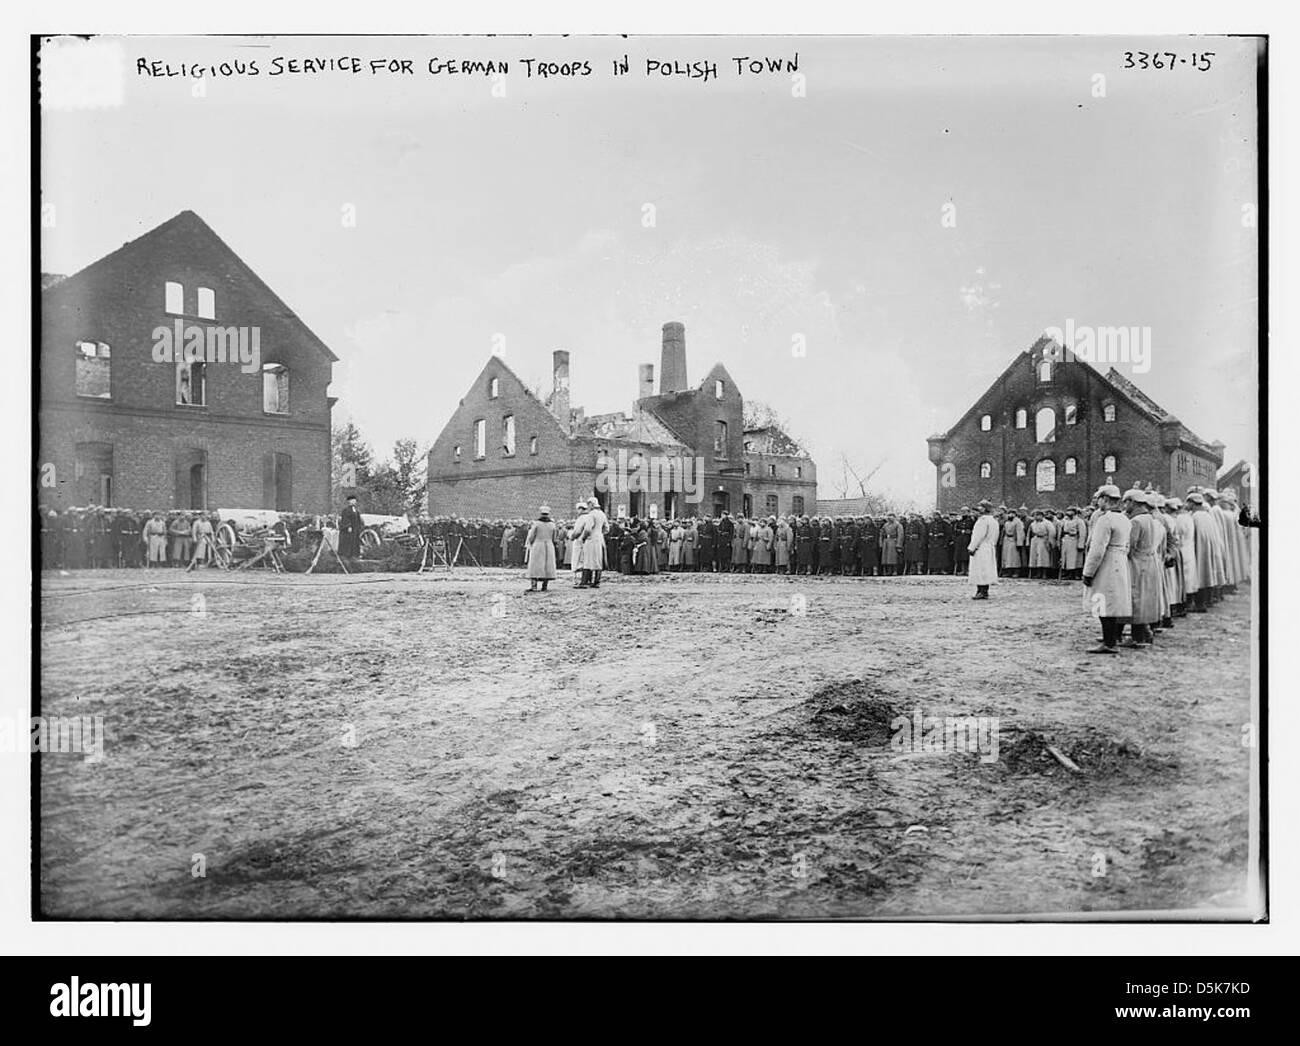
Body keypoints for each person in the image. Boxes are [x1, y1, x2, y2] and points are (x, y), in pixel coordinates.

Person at [1081, 485, 1132, 654]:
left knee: (1102, 602)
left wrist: (1088, 572)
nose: (1097, 502)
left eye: (1099, 499)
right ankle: (1113, 638)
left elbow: (1097, 549)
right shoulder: (1125, 519)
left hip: (1107, 563)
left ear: (1105, 499)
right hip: (1120, 560)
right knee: (1114, 601)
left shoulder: (1105, 519)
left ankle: (1109, 642)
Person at [1123, 489, 1162, 648]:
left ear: (1132, 502)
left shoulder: (1136, 521)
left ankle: (1137, 636)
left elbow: (1130, 546)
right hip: (1150, 561)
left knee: (1136, 598)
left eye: (1126, 502)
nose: (1125, 506)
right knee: (1146, 598)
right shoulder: (1152, 520)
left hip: (1137, 563)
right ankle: (1145, 631)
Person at [967, 500, 999, 600]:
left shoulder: (983, 521)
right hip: (989, 546)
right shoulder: (993, 520)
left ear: (984, 508)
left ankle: (981, 591)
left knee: (980, 569)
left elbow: (978, 536)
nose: (978, 508)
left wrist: (972, 547)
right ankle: (985, 591)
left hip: (981, 547)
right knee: (987, 569)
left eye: (980, 507)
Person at [524, 506, 558, 593]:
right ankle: (544, 586)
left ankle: (534, 586)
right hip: (549, 545)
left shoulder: (536, 524)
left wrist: (531, 543)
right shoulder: (552, 524)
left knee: (535, 565)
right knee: (547, 565)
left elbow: (531, 536)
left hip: (538, 544)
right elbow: (554, 538)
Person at [577, 496, 607, 589]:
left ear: (591, 504)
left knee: (587, 560)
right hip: (599, 538)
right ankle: (597, 581)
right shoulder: (602, 514)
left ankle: (584, 582)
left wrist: (583, 538)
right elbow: (606, 528)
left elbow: (587, 529)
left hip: (591, 539)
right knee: (598, 560)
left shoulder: (591, 515)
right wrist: (600, 534)